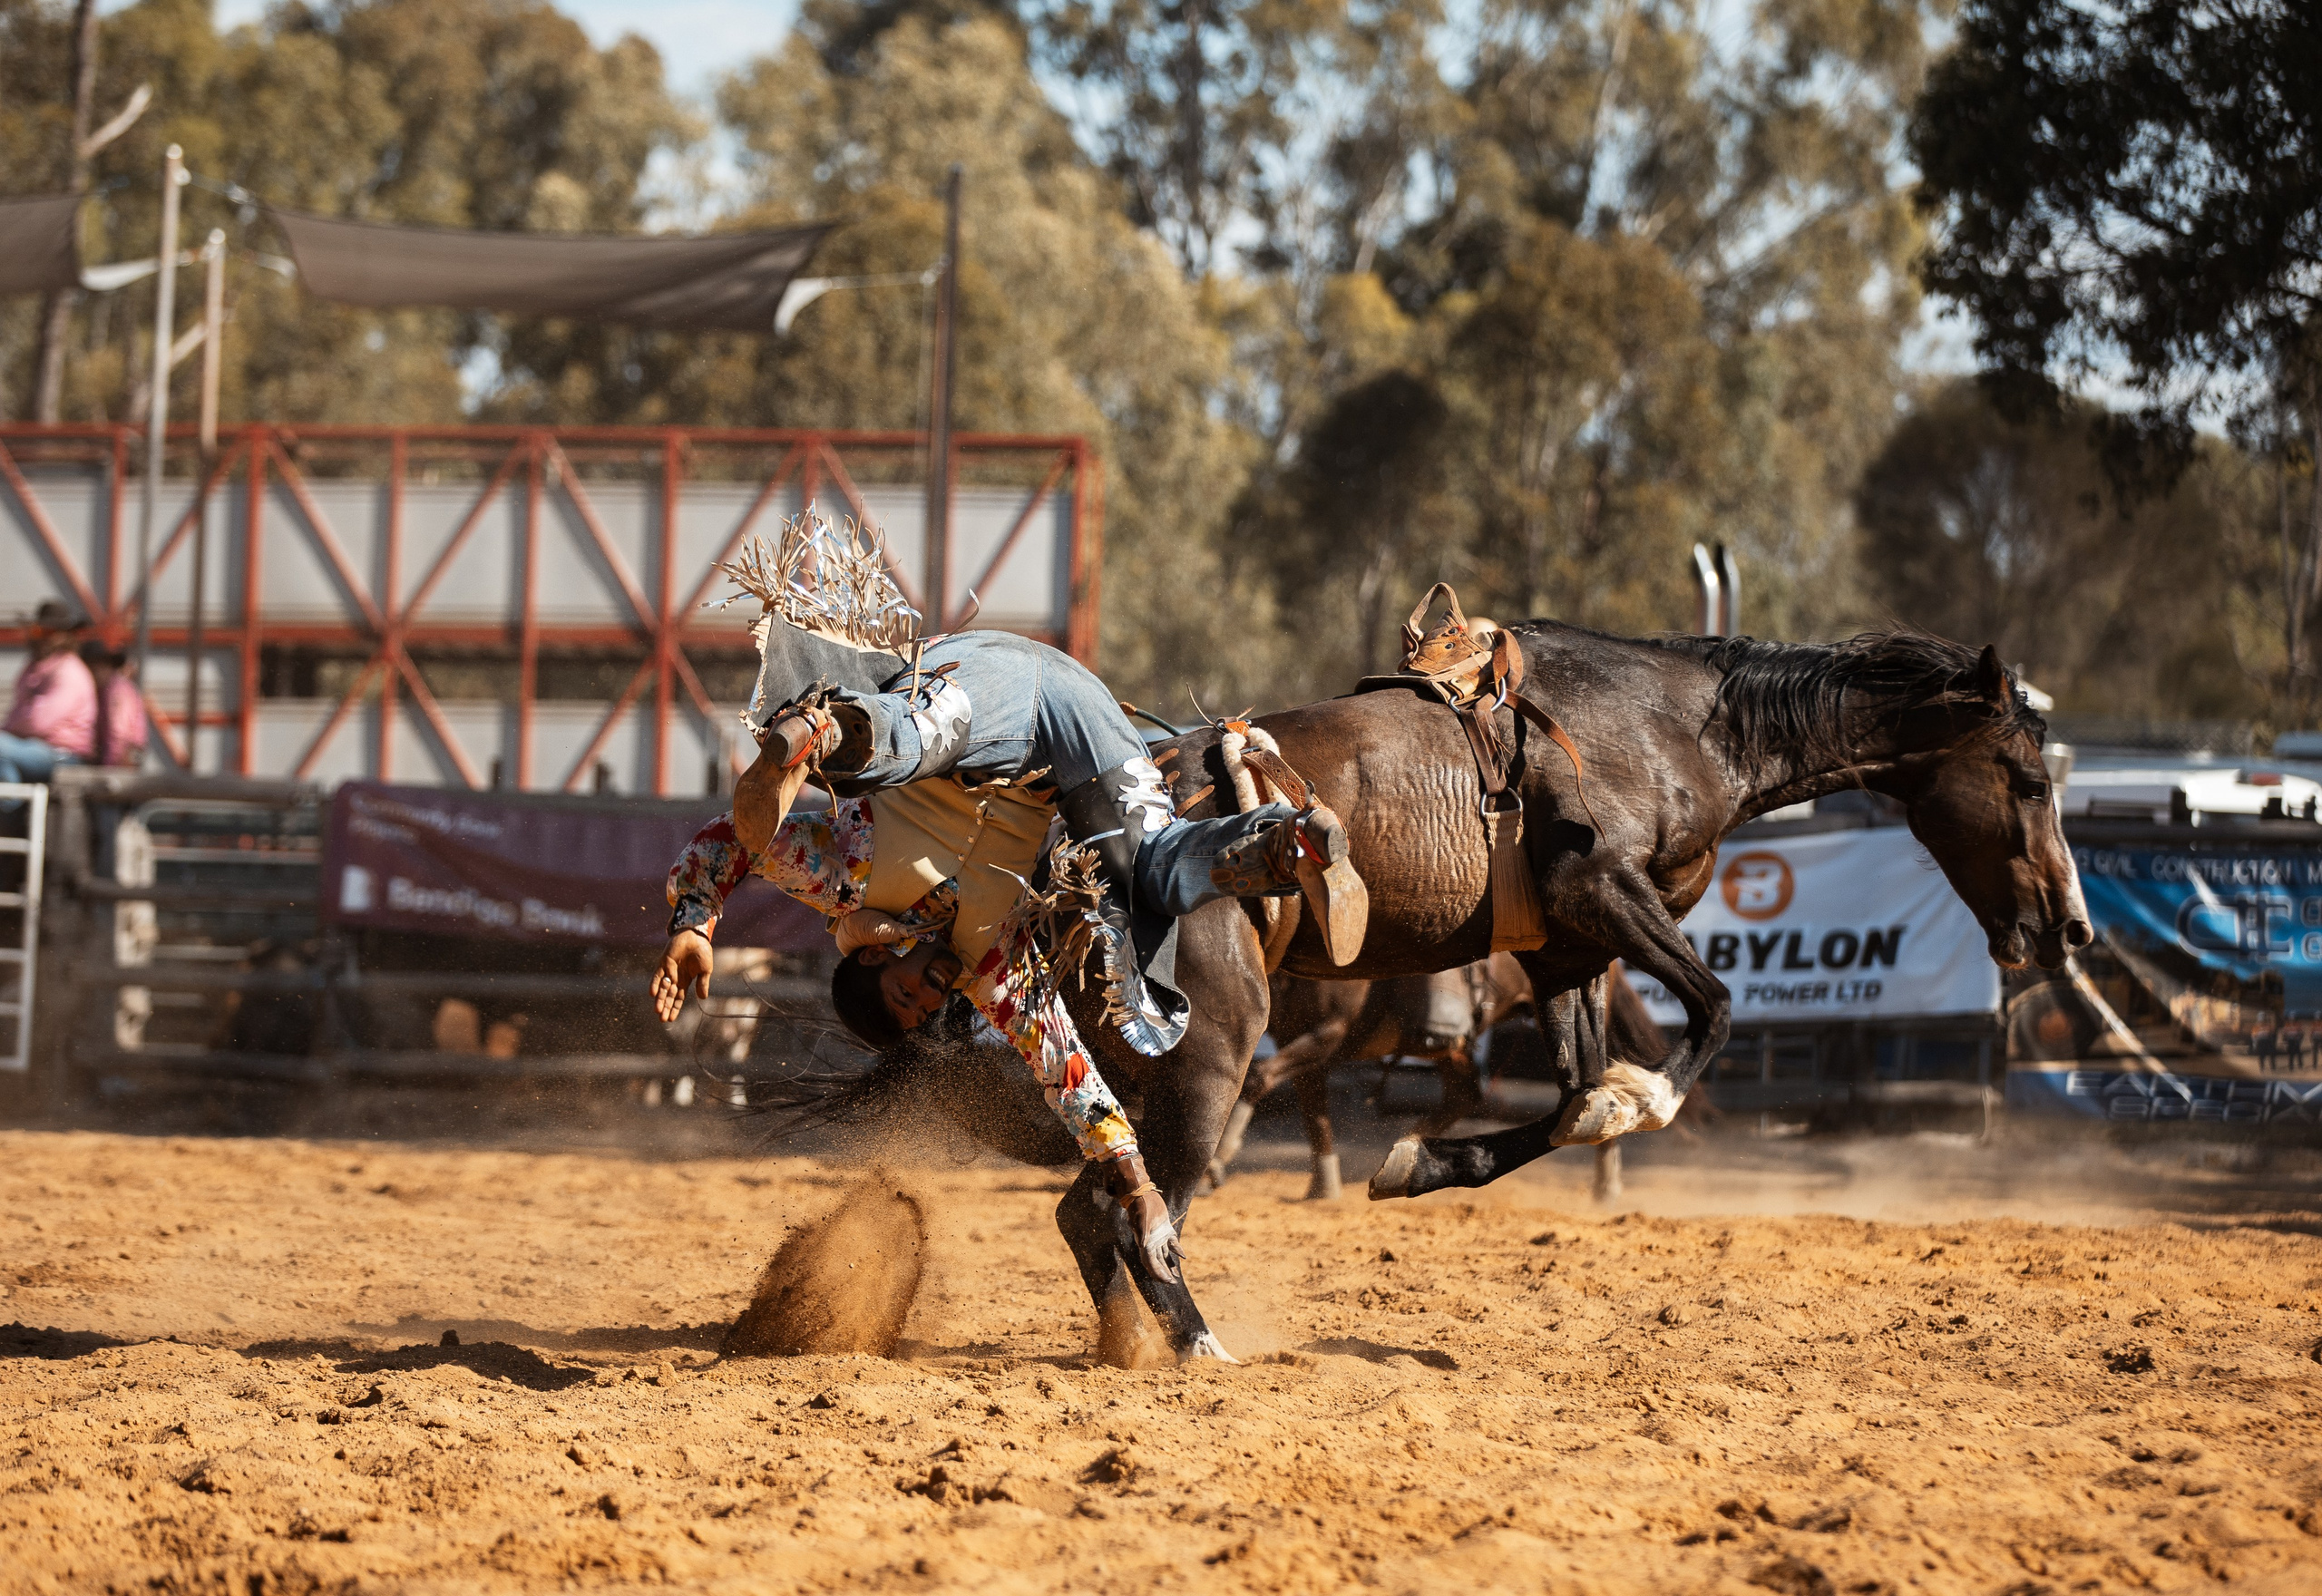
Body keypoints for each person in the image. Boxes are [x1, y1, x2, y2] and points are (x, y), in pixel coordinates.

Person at [649, 509, 1365, 1288]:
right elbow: (1070, 1077)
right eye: (925, 1011)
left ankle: (821, 729)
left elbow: (731, 841)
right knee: (1150, 866)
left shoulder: (847, 876)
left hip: (980, 690)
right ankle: (1283, 843)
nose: (929, 993)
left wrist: (695, 924)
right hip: (1077, 729)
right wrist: (1138, 1187)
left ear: (878, 955)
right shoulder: (996, 969)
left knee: (917, 739)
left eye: (904, 991)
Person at [0, 601, 96, 786]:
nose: (41, 638)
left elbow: (37, 722)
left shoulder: (68, 670)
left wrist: (9, 731)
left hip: (62, 754)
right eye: (39, 631)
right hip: (39, 748)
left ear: (64, 636)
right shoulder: (37, 668)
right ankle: (9, 808)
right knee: (4, 763)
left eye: (49, 633)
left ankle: (9, 806)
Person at [78, 640, 148, 767]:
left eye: (95, 668)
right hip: (114, 755)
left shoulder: (118, 691)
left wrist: (109, 766)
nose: (92, 673)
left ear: (108, 666)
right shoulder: (104, 690)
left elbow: (119, 734)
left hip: (121, 758)